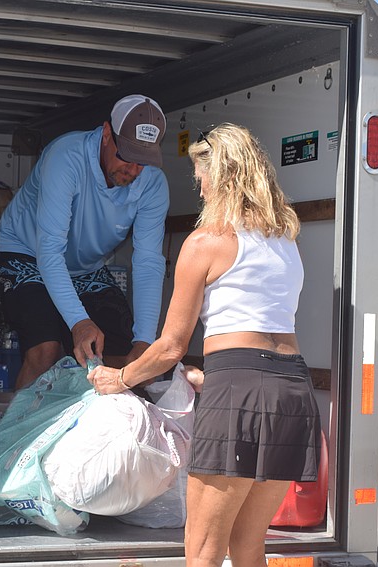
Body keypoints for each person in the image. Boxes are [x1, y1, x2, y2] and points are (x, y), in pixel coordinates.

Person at [88, 123, 322, 567]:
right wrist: (211, 374)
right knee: (250, 546)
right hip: (292, 390)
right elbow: (259, 333)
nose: (200, 187)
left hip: (238, 391)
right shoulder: (286, 242)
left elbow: (170, 346)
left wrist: (119, 379)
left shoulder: (206, 241)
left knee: (203, 551)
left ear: (223, 174)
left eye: (202, 176)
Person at [0, 94, 170, 390]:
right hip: (27, 253)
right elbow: (49, 250)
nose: (133, 169)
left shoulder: (153, 184)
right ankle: (13, 436)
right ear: (105, 134)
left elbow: (149, 263)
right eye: (126, 154)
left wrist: (144, 342)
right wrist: (78, 321)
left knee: (125, 357)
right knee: (45, 350)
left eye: (144, 160)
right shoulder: (67, 157)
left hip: (85, 267)